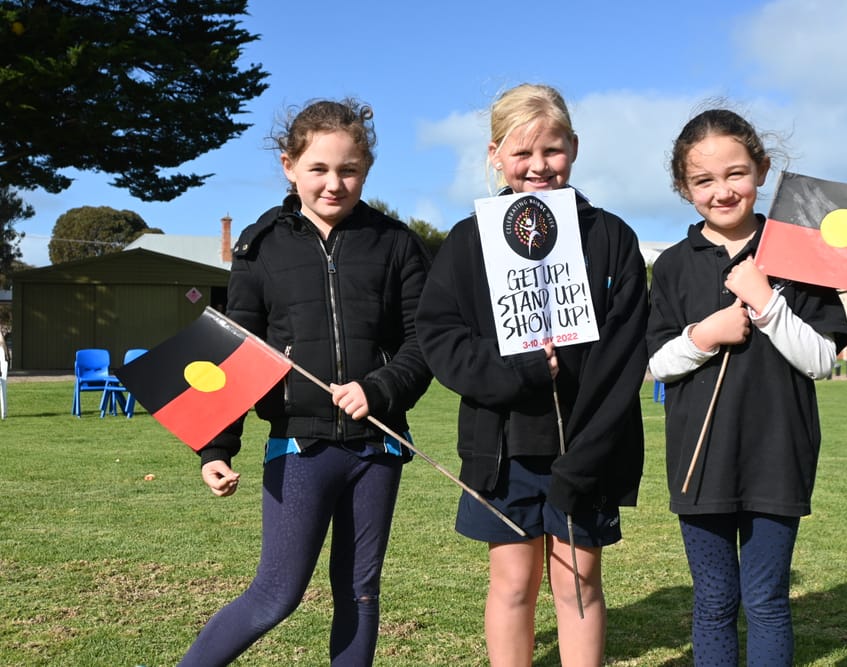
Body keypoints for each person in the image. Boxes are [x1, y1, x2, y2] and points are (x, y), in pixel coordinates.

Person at [177, 99, 432, 666]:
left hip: (377, 446)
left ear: (366, 170)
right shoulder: (260, 244)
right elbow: (232, 354)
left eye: (349, 170)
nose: (334, 183)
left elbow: (423, 343)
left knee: (360, 593)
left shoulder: (397, 243)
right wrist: (215, 447)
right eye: (318, 169)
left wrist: (380, 388)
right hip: (298, 448)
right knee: (276, 596)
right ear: (290, 165)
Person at [415, 83, 648, 666]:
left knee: (577, 585)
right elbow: (441, 338)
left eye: (552, 150)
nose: (538, 166)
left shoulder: (612, 237)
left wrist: (590, 447)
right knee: (514, 585)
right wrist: (513, 370)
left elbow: (624, 354)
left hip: (587, 442)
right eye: (522, 154)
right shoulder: (468, 241)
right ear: (495, 154)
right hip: (503, 447)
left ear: (574, 147)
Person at [646, 108, 847, 666]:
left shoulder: (801, 255)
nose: (722, 191)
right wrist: (705, 334)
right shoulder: (671, 266)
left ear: (761, 170)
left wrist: (766, 303)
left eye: (736, 173)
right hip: (700, 460)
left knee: (765, 601)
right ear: (684, 187)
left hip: (777, 457)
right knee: (714, 602)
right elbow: (658, 364)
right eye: (703, 181)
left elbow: (823, 361)